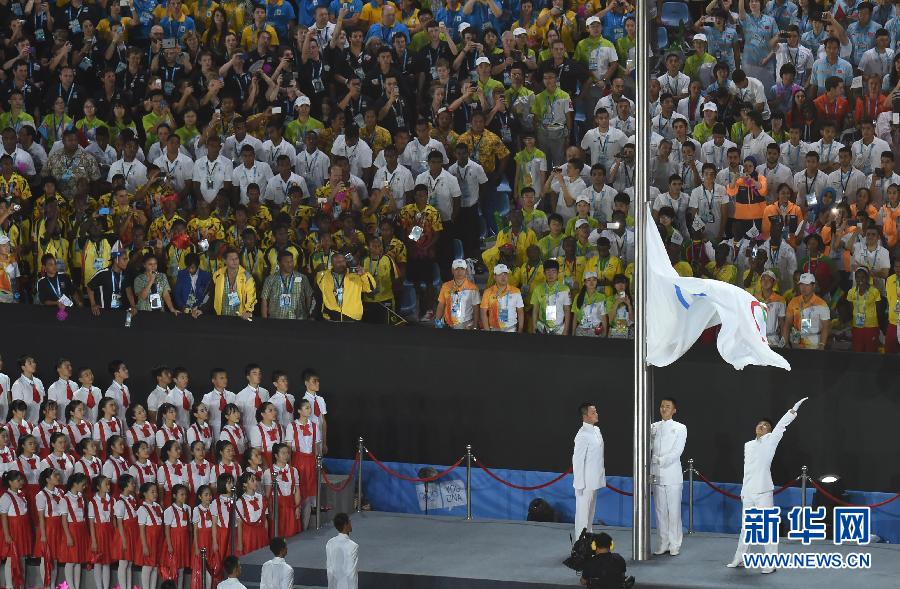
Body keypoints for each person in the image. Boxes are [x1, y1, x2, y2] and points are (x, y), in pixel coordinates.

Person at [728, 397, 808, 574]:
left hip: (763, 490)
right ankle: (740, 558)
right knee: (746, 527)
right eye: (760, 424)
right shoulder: (748, 445)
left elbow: (781, 426)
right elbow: (747, 470)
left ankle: (770, 562)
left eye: (765, 425)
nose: (761, 426)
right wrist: (743, 491)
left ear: (770, 431)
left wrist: (792, 411)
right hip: (748, 491)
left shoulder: (771, 440)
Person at [650, 398, 687, 557]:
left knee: (673, 511)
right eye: (662, 406)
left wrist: (660, 460)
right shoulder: (653, 427)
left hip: (672, 474)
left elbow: (677, 451)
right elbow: (648, 448)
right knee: (660, 511)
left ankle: (675, 543)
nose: (664, 408)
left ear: (674, 410)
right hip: (656, 474)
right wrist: (649, 438)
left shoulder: (680, 428)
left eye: (668, 406)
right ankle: (663, 542)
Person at [572, 402, 605, 543]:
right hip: (584, 482)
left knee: (590, 514)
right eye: (593, 413)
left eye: (596, 411)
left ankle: (588, 541)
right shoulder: (582, 435)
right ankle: (580, 544)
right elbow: (577, 461)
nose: (596, 414)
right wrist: (579, 484)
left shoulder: (596, 430)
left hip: (594, 479)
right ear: (585, 416)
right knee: (582, 516)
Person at [326, 512, 358, 589]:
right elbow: (351, 573)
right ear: (345, 525)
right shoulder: (353, 546)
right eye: (349, 522)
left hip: (333, 585)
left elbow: (329, 568)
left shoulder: (330, 542)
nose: (351, 524)